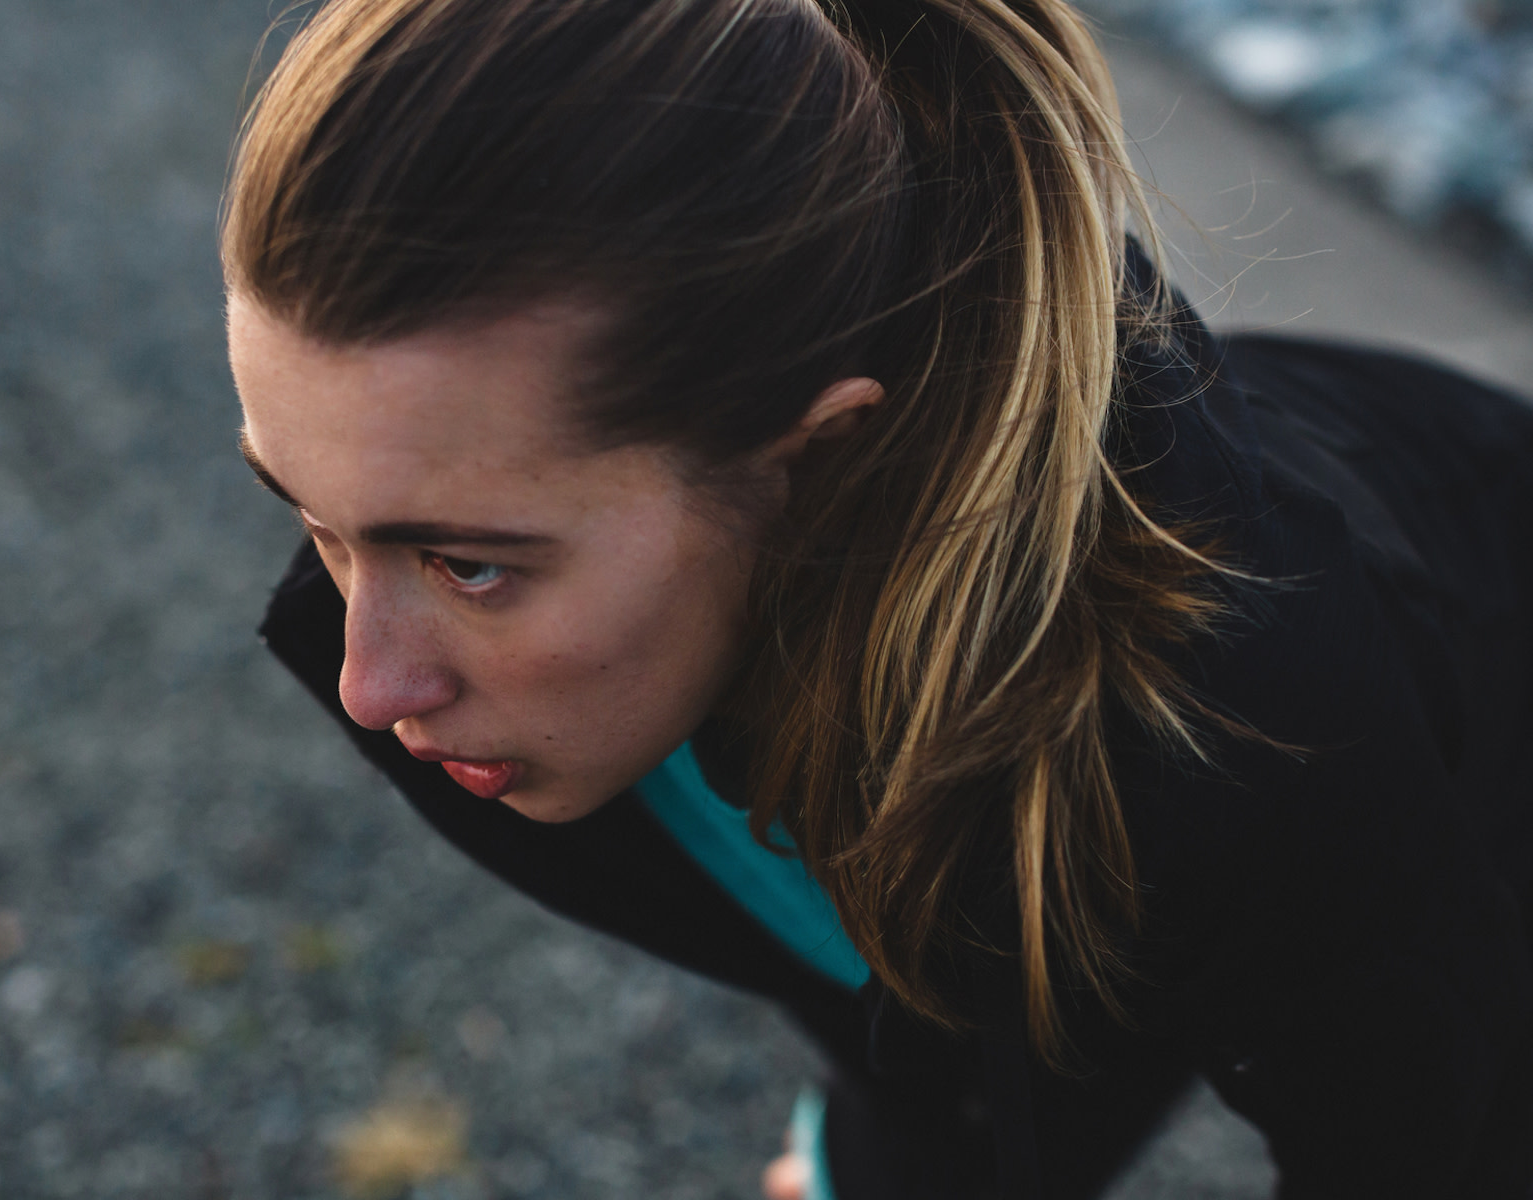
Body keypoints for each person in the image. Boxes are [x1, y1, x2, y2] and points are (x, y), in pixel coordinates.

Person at [219, 0, 1533, 1195]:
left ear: (819, 462)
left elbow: (1418, 1142)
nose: (369, 680)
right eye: (314, 523)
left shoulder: (1253, 730)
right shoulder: (623, 609)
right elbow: (922, 989)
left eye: (469, 565)